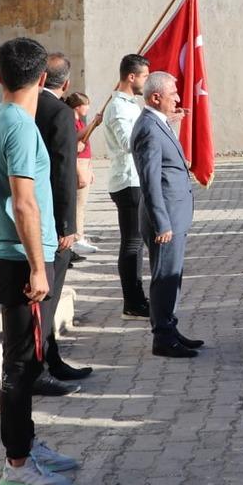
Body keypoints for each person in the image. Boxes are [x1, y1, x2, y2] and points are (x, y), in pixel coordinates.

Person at [0, 37, 78, 485]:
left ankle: (27, 445)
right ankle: (17, 463)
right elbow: (24, 203)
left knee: (27, 361)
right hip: (21, 260)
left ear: (0, 76)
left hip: (13, 257)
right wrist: (39, 266)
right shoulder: (18, 126)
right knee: (21, 367)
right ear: (42, 78)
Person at [32, 53, 93, 395]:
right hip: (52, 220)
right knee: (48, 300)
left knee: (48, 302)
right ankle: (42, 365)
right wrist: (67, 224)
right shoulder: (59, 111)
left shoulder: (27, 104)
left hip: (34, 214)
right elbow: (64, 170)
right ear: (66, 83)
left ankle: (52, 358)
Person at [132, 71, 201, 358]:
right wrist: (161, 223)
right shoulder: (148, 128)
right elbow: (149, 182)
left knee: (173, 276)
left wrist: (173, 122)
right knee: (164, 278)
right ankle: (162, 337)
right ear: (155, 97)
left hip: (174, 214)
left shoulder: (157, 122)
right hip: (165, 219)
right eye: (173, 94)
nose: (178, 98)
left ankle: (169, 327)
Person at [102, 54, 152, 319]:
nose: (147, 81)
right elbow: (127, 142)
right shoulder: (118, 107)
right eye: (145, 76)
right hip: (128, 181)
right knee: (132, 243)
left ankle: (137, 298)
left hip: (136, 178)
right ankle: (132, 302)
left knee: (137, 242)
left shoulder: (131, 105)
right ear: (131, 77)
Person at [64, 92, 101, 256]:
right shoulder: (71, 122)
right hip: (78, 164)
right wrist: (93, 124)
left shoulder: (79, 122)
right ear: (78, 106)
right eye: (85, 105)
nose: (88, 108)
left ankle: (80, 235)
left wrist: (90, 169)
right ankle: (77, 238)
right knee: (78, 205)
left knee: (82, 205)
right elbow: (75, 139)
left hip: (85, 163)